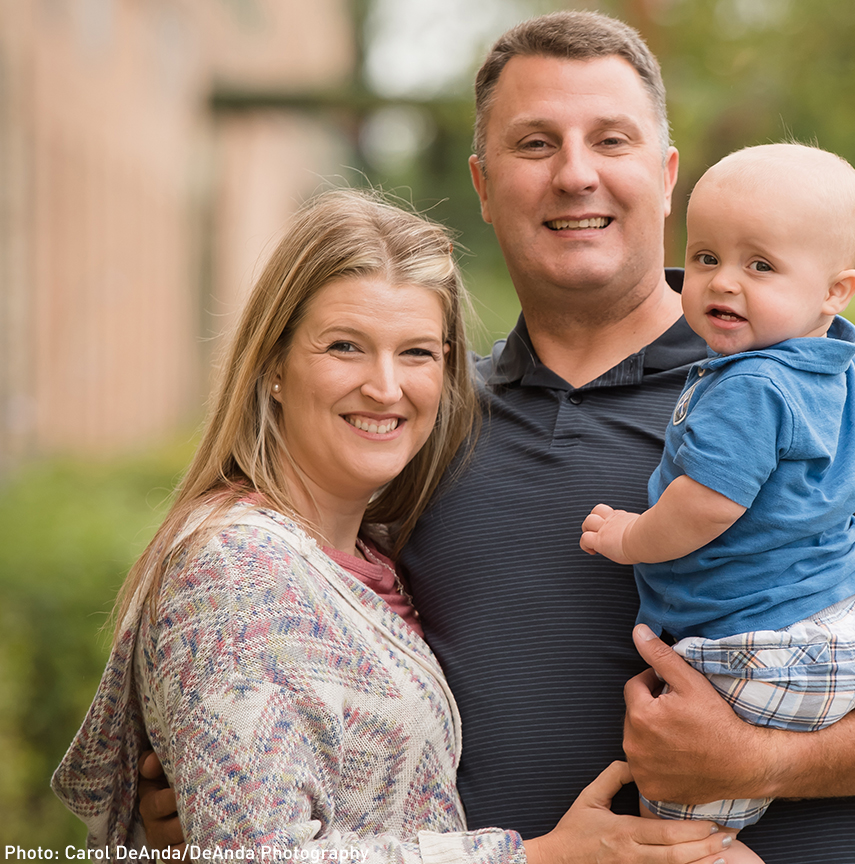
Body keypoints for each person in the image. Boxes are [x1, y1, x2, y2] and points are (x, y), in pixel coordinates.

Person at [140, 12, 855, 864]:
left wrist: (765, 762)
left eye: (611, 140)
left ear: (667, 175)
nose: (575, 175)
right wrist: (232, 795)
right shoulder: (417, 427)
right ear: (483, 185)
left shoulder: (808, 396)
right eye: (534, 144)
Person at [53, 188, 733, 863]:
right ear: (274, 367)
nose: (385, 387)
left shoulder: (376, 551)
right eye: (346, 347)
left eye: (416, 353)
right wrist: (542, 856)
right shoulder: (234, 567)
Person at [581, 143, 855, 864]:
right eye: (707, 256)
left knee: (679, 827)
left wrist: (628, 536)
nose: (724, 283)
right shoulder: (848, 371)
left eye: (760, 265)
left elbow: (704, 510)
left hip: (762, 654)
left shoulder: (746, 389)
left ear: (835, 290)